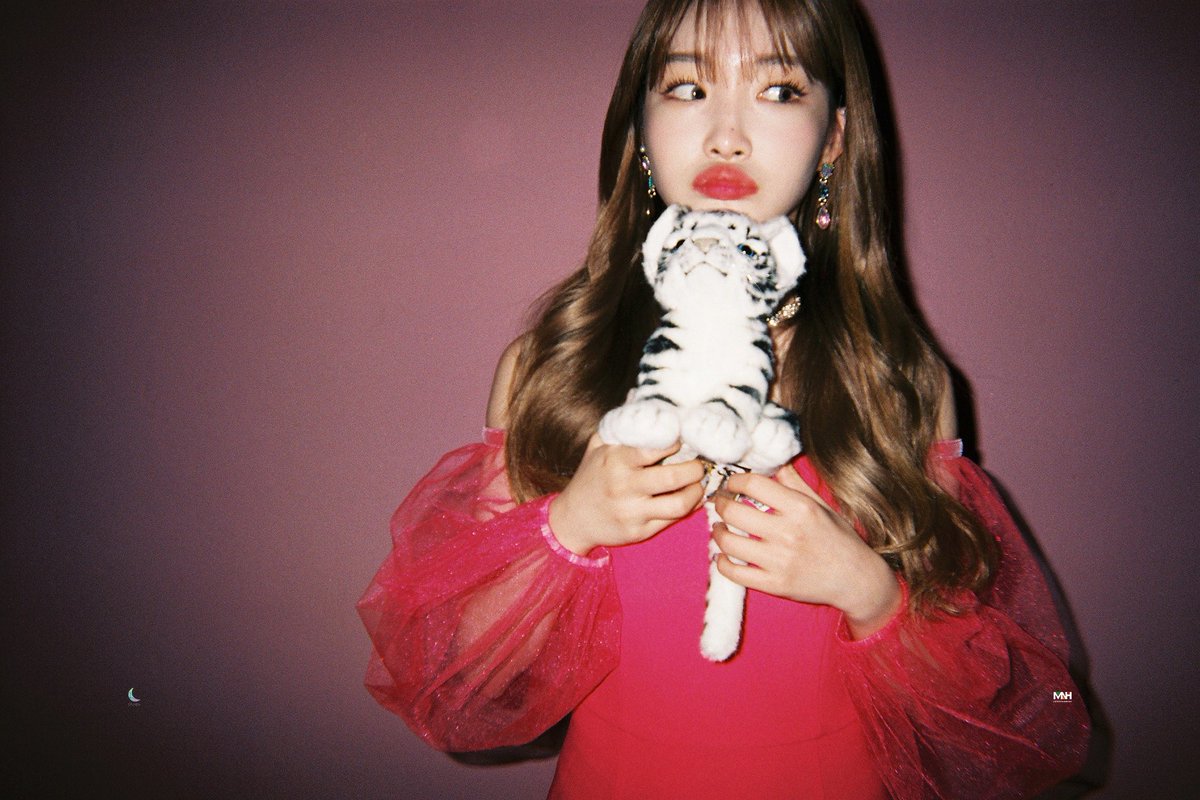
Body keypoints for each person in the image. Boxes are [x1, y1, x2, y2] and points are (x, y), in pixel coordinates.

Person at [356, 1, 1091, 797]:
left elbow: (1017, 714)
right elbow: (457, 681)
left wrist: (870, 592)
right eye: (687, 88)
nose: (727, 134)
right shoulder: (546, 372)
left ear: (834, 139)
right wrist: (569, 527)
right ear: (639, 129)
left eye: (779, 90)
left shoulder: (903, 387)